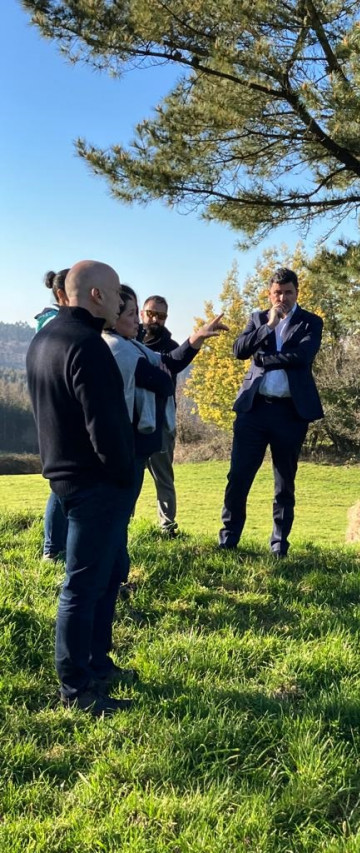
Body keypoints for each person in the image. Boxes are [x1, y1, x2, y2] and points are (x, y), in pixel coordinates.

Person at [27, 260, 136, 716]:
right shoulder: (88, 346)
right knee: (82, 584)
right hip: (95, 482)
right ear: (95, 295)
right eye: (115, 292)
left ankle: (97, 664)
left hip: (64, 477)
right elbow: (105, 429)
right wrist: (124, 476)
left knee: (105, 576)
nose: (120, 301)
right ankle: (76, 688)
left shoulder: (45, 338)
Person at [219, 267, 323, 557]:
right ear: (269, 294)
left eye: (288, 292)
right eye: (277, 293)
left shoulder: (310, 322)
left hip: (290, 413)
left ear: (297, 293)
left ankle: (279, 545)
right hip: (254, 410)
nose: (282, 298)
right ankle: (228, 540)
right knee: (238, 477)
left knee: (284, 482)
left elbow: (302, 356)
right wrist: (268, 326)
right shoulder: (257, 319)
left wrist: (265, 359)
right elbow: (239, 350)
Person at [105, 286, 228, 520]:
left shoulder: (133, 345)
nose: (149, 320)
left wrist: (198, 337)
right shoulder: (120, 348)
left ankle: (164, 525)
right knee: (123, 493)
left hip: (150, 430)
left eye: (160, 316)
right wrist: (160, 377)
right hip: (127, 433)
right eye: (134, 314)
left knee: (155, 479)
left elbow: (170, 364)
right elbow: (164, 383)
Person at [34, 268, 70, 562]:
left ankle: (57, 545)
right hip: (58, 409)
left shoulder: (49, 319)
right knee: (61, 484)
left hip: (54, 406)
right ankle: (53, 548)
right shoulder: (53, 322)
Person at [139, 295, 183, 537]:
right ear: (142, 313)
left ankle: (167, 527)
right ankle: (123, 524)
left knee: (163, 476)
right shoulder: (130, 341)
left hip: (162, 421)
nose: (155, 319)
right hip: (132, 420)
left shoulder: (172, 348)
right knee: (129, 476)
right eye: (151, 313)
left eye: (161, 315)